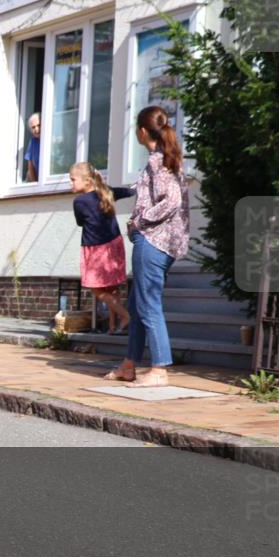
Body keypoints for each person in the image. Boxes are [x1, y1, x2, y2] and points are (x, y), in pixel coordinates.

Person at [104, 106, 190, 387]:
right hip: (162, 242)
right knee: (137, 303)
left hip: (153, 241)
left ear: (143, 132)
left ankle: (159, 369)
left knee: (148, 303)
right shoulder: (167, 158)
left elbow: (172, 201)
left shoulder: (158, 160)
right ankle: (129, 364)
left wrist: (140, 220)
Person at [69, 161, 133, 334]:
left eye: (73, 179)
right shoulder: (106, 192)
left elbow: (80, 222)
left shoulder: (79, 202)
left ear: (87, 181)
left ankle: (125, 316)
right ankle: (113, 327)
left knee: (96, 289)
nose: (71, 183)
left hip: (96, 249)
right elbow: (128, 191)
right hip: (114, 244)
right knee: (111, 288)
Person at [24, 113, 40, 183]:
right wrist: (34, 184)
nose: (36, 129)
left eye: (38, 125)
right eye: (33, 127)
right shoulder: (33, 141)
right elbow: (30, 166)